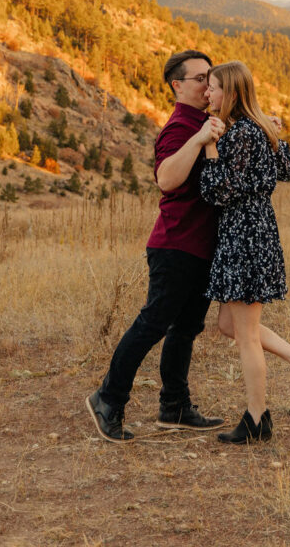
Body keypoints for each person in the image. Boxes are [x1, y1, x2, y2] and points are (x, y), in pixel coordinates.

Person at [85, 50, 226, 443]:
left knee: (186, 328)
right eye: (199, 78)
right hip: (175, 245)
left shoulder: (206, 122)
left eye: (210, 77)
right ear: (177, 86)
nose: (207, 84)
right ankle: (107, 399)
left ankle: (174, 407)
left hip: (200, 247)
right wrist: (199, 139)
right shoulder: (180, 128)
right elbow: (166, 179)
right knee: (153, 325)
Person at [201, 61, 290, 444]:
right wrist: (272, 133)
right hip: (253, 233)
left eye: (212, 88)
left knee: (244, 335)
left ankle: (257, 419)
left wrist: (209, 148)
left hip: (244, 236)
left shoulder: (240, 133)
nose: (207, 94)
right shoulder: (256, 128)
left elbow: (218, 192)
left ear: (231, 92)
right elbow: (286, 169)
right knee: (231, 325)